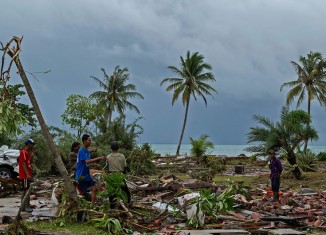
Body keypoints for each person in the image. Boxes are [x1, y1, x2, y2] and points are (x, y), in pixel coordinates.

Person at [75, 134, 105, 205]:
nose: (90, 142)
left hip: (87, 175)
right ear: (84, 141)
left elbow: (88, 151)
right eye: (89, 140)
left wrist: (93, 150)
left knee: (94, 188)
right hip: (81, 176)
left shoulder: (86, 151)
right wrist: (99, 158)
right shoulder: (81, 151)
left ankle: (92, 205)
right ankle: (82, 207)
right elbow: (87, 161)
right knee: (83, 194)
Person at [106, 141, 131, 207]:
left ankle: (112, 205)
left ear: (111, 148)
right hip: (120, 175)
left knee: (111, 191)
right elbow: (125, 167)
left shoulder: (108, 157)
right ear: (118, 148)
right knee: (125, 191)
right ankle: (128, 202)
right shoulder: (122, 156)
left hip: (111, 176)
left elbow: (107, 167)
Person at [18, 138, 36, 213]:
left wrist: (31, 156)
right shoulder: (23, 152)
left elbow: (28, 162)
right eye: (32, 144)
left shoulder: (27, 153)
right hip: (24, 175)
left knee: (26, 190)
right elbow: (23, 163)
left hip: (26, 175)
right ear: (29, 144)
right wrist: (27, 174)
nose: (33, 145)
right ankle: (26, 207)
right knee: (26, 191)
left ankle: (23, 206)